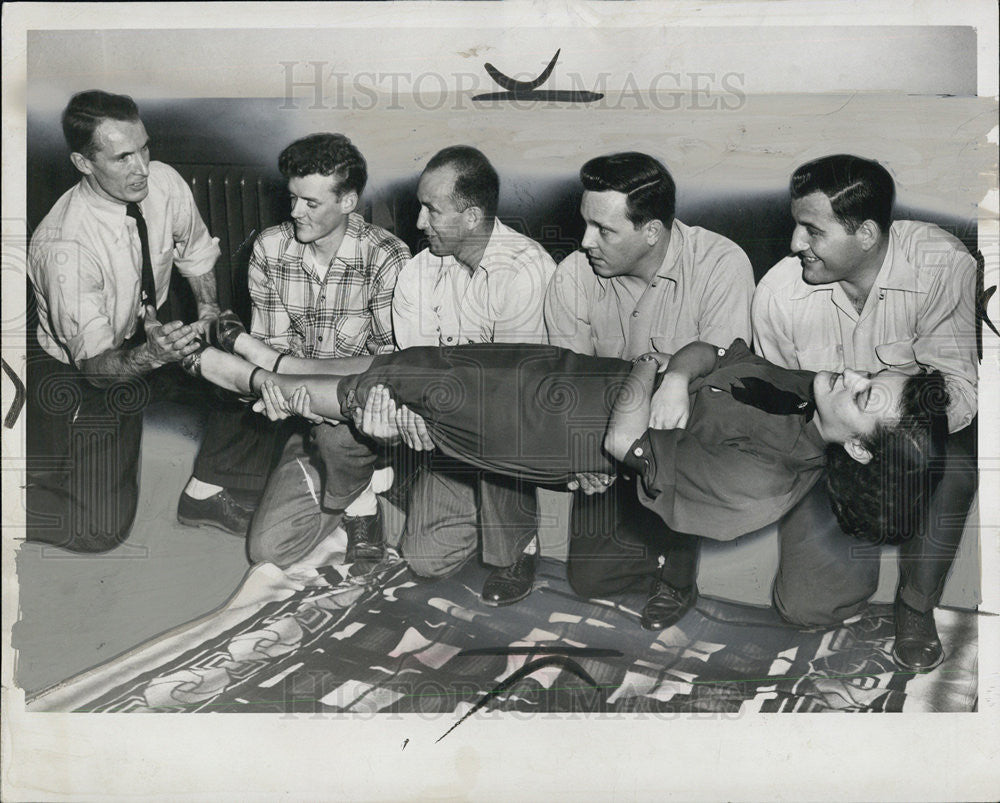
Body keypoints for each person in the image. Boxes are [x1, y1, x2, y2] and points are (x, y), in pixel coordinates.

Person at [180, 336, 948, 605]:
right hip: (575, 374)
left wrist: (652, 366)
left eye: (865, 393)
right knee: (426, 361)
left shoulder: (765, 483)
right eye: (868, 370)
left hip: (559, 430)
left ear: (859, 447)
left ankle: (262, 388)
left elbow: (621, 443)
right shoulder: (801, 392)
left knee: (404, 393)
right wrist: (674, 374)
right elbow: (708, 353)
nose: (849, 373)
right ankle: (291, 361)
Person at [752, 154, 978, 671]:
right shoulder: (778, 294)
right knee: (806, 608)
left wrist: (893, 435)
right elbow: (777, 405)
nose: (794, 244)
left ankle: (916, 605)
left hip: (915, 435)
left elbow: (960, 391)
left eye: (812, 230)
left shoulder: (943, 266)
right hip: (828, 438)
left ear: (868, 233)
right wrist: (841, 441)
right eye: (795, 225)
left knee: (959, 470)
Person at [544, 152, 756, 629]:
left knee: (699, 411)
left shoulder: (721, 264)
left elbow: (716, 386)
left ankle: (678, 570)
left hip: (684, 435)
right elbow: (572, 387)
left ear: (652, 232)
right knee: (590, 581)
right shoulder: (572, 277)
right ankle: (648, 537)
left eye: (604, 230)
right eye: (585, 224)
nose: (584, 242)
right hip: (612, 432)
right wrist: (585, 455)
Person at [25, 89, 224, 552]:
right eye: (122, 158)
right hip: (76, 371)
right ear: (83, 162)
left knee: (237, 356)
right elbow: (96, 368)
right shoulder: (64, 245)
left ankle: (211, 486)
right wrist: (153, 355)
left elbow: (194, 250)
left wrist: (210, 311)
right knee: (99, 528)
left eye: (145, 148)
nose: (142, 169)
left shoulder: (164, 182)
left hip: (140, 338)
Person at [366, 145, 557, 606]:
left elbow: (514, 392)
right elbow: (414, 368)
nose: (417, 223)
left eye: (432, 210)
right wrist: (410, 411)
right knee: (425, 557)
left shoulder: (527, 271)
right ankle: (436, 493)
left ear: (472, 217)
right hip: (449, 423)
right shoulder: (417, 271)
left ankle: (518, 546)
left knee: (497, 417)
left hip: (515, 423)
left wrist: (432, 409)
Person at [214, 133, 411, 569]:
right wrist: (286, 400)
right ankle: (361, 490)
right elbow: (271, 355)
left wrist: (313, 391)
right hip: (310, 421)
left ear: (348, 202)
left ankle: (366, 496)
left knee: (428, 549)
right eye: (292, 198)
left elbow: (389, 371)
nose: (294, 212)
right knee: (268, 550)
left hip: (372, 422)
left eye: (310, 203)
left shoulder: (388, 257)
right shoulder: (269, 249)